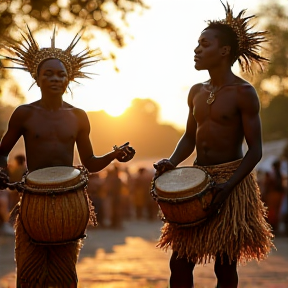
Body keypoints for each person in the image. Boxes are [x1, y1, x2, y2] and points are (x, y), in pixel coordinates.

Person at [0, 27, 135, 288]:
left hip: (69, 201)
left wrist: (114, 155)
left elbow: (90, 163)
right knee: (29, 274)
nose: (55, 78)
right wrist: (1, 170)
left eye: (61, 74)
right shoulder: (24, 114)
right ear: (36, 78)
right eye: (48, 74)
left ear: (69, 79)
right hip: (33, 198)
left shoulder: (78, 116)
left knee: (65, 274)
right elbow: (3, 149)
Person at [152, 3, 274, 288]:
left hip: (231, 182)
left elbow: (255, 150)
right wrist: (172, 161)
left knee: (225, 264)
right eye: (197, 43)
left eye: (204, 44)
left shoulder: (244, 93)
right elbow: (189, 138)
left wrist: (228, 186)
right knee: (179, 261)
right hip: (197, 179)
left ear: (224, 51)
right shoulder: (196, 91)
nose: (197, 49)